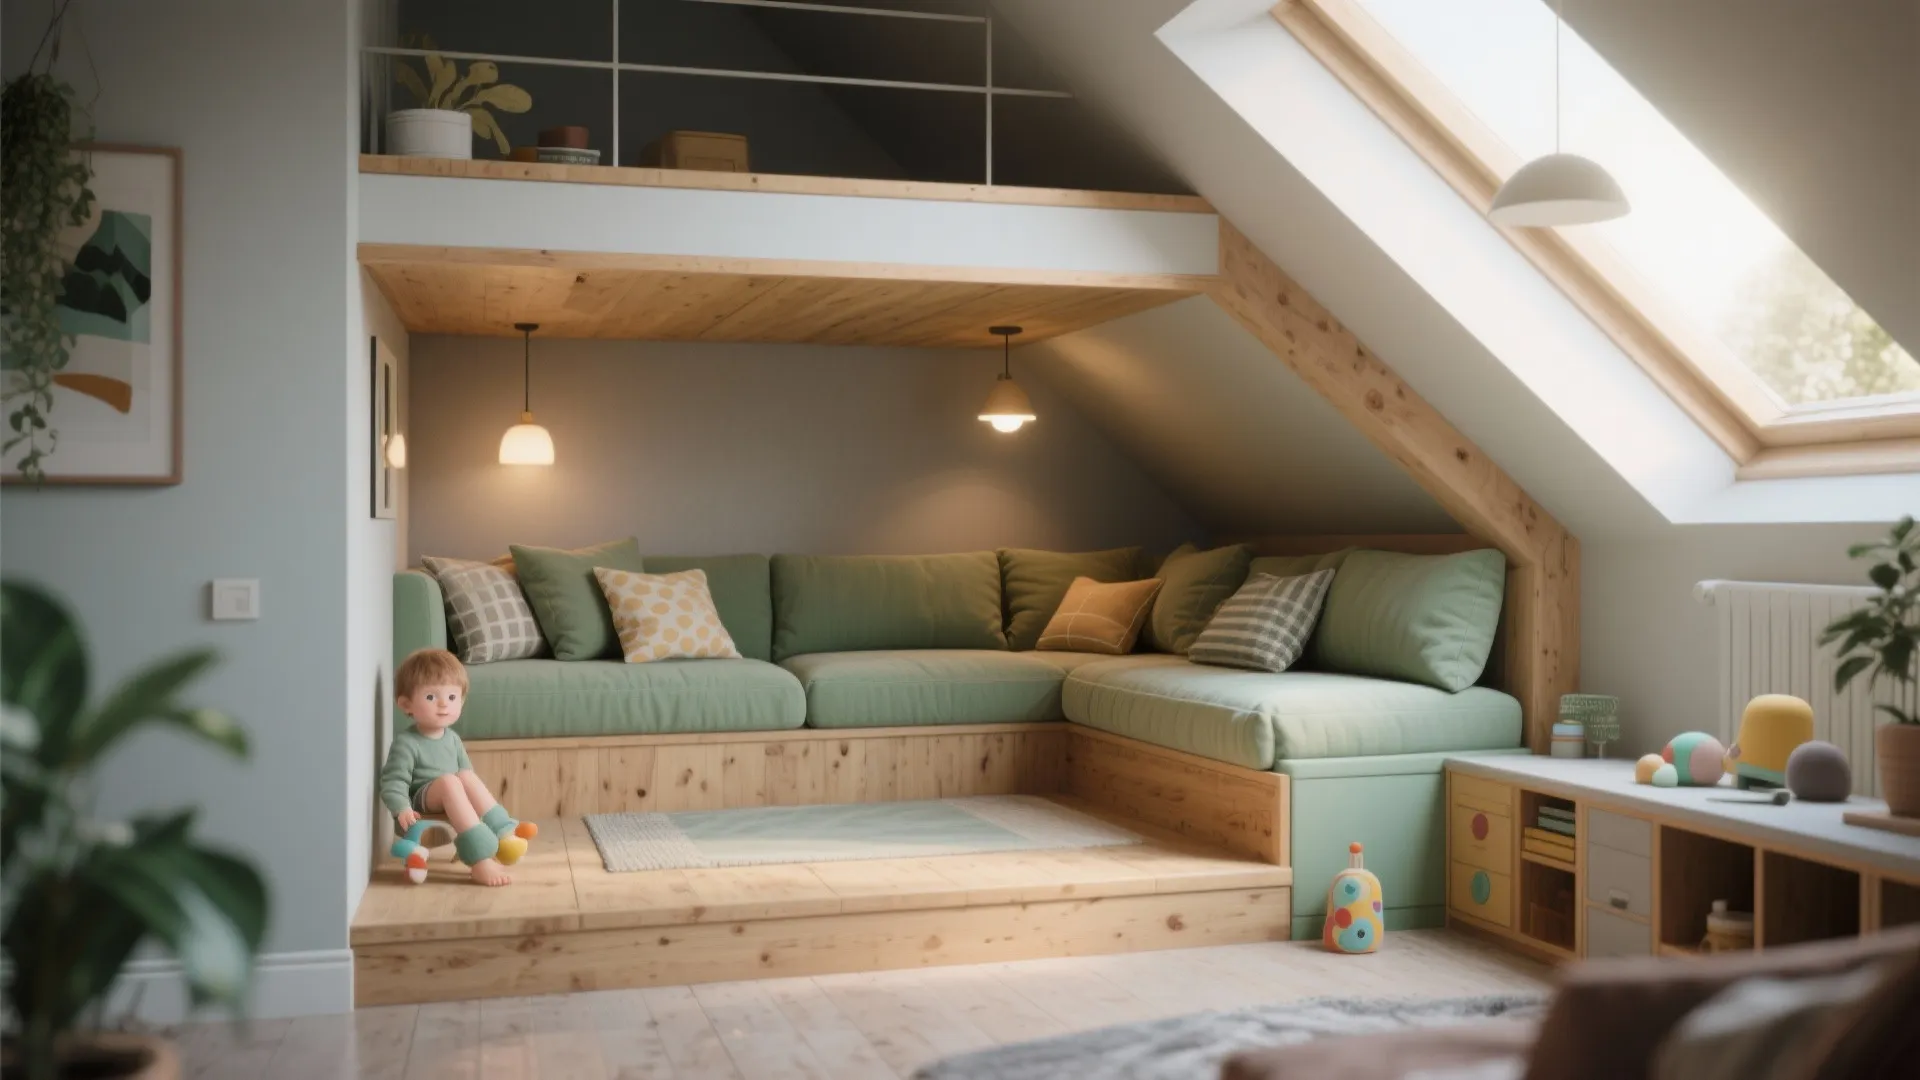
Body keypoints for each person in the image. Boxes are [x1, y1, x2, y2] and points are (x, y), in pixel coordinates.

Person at [380, 648, 535, 886]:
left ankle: (504, 831)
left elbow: (467, 778)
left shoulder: (451, 738)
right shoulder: (406, 743)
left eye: (452, 698)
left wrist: (468, 794)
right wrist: (401, 807)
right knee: (451, 780)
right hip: (420, 797)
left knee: (464, 774)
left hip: (450, 790)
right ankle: (480, 860)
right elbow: (393, 780)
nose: (443, 705)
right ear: (406, 704)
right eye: (431, 697)